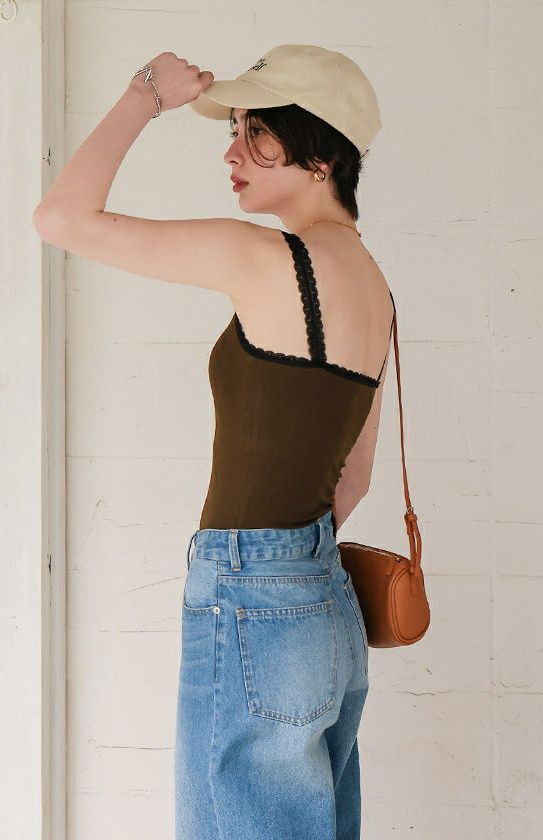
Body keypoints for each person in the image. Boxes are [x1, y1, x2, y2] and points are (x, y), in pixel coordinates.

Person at [34, 43, 394, 840]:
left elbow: (60, 218)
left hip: (256, 600)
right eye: (233, 130)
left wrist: (146, 93)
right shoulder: (375, 285)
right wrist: (296, 575)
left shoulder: (267, 259)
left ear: (322, 155)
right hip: (327, 611)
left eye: (257, 132)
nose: (232, 153)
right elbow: (356, 475)